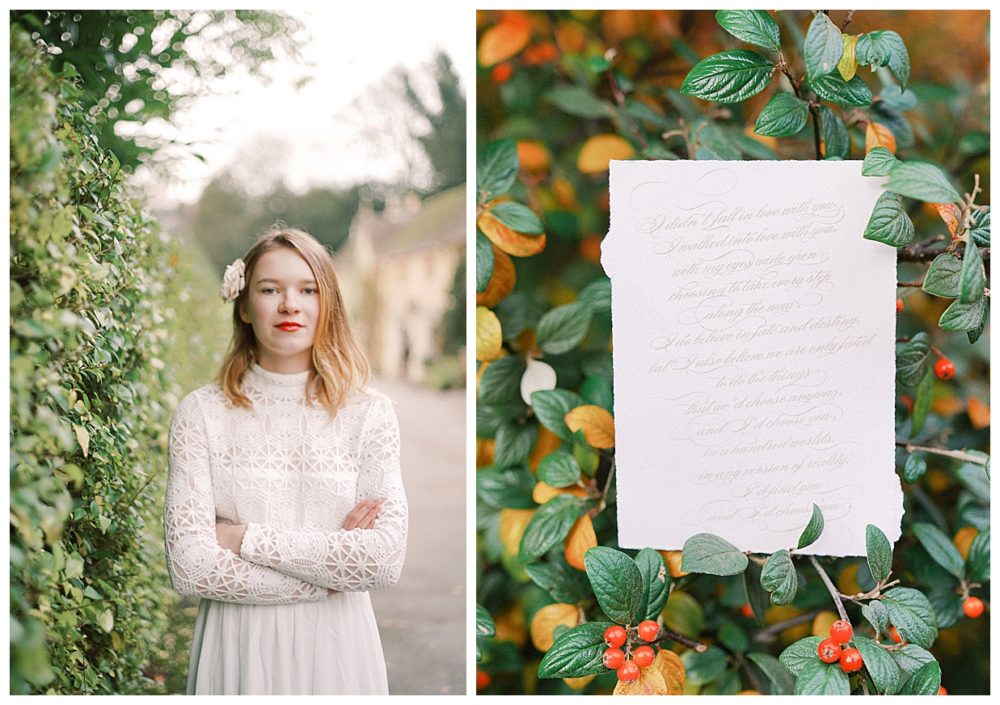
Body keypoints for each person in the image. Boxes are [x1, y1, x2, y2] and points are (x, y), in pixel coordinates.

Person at [163, 226, 407, 695]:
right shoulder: (202, 413)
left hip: (339, 649)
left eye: (307, 289)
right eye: (270, 289)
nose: (289, 304)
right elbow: (191, 566)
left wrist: (241, 538)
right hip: (237, 647)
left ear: (326, 303)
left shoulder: (369, 415)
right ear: (243, 304)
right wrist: (329, 577)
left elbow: (382, 560)